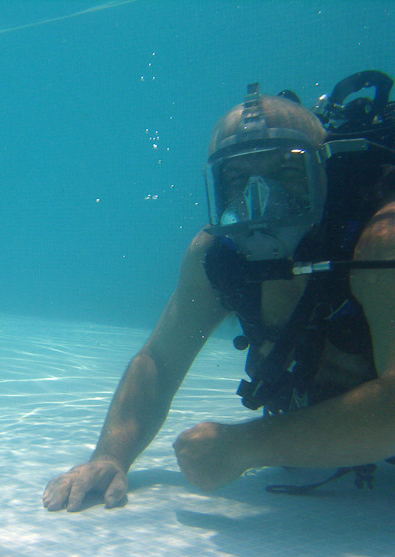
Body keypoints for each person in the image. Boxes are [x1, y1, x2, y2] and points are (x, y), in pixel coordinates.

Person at [44, 78, 395, 512]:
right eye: (237, 181)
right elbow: (158, 361)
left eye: (287, 174)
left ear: (326, 173)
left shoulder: (380, 243)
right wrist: (111, 455)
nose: (262, 203)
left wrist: (246, 446)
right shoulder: (217, 257)